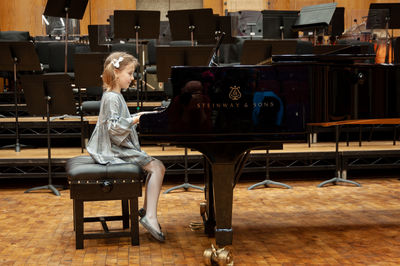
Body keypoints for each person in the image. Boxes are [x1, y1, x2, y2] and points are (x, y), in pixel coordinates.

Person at [86, 52, 165, 242]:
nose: (132, 78)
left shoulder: (113, 95)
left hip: (114, 146)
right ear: (116, 72)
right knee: (157, 167)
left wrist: (141, 115)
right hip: (111, 149)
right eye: (129, 73)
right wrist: (136, 119)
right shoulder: (113, 97)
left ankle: (147, 212)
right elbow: (114, 129)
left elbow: (119, 122)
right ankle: (150, 216)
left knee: (158, 166)